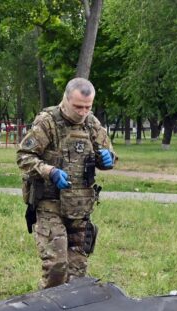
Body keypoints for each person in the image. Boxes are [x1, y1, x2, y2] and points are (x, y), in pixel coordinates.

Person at [17, 78, 116, 289]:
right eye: (78, 106)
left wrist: (108, 158)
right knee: (56, 266)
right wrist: (49, 171)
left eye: (88, 107)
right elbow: (24, 156)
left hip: (80, 206)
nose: (82, 112)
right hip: (50, 203)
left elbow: (109, 154)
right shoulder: (47, 122)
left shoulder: (91, 124)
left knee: (78, 270)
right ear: (66, 99)